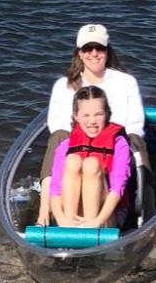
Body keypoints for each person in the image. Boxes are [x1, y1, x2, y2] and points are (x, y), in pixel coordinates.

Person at [41, 23, 146, 221]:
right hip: (77, 141)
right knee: (59, 138)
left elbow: (135, 124)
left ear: (108, 51)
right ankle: (45, 211)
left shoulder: (126, 81)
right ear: (79, 53)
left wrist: (111, 137)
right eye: (88, 49)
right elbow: (58, 124)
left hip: (114, 138)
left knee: (135, 140)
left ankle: (147, 209)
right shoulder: (63, 85)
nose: (94, 53)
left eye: (100, 48)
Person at [40, 86, 130, 229]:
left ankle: (91, 228)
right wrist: (61, 218)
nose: (92, 121)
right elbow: (55, 189)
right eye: (85, 115)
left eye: (98, 114)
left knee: (91, 164)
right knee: (72, 161)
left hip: (104, 214)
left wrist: (98, 220)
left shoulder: (119, 144)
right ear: (76, 116)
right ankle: (68, 226)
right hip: (70, 215)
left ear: (107, 114)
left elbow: (117, 188)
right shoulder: (65, 146)